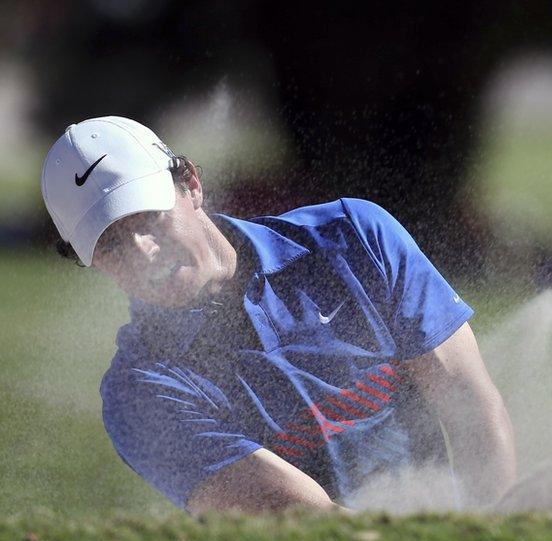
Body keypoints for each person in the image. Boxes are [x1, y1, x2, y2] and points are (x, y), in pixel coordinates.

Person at [40, 116, 516, 514]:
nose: (142, 252)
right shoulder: (139, 393)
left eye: (146, 216)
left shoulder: (354, 238)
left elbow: (471, 406)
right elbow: (310, 523)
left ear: (190, 185)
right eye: (111, 244)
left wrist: (490, 529)